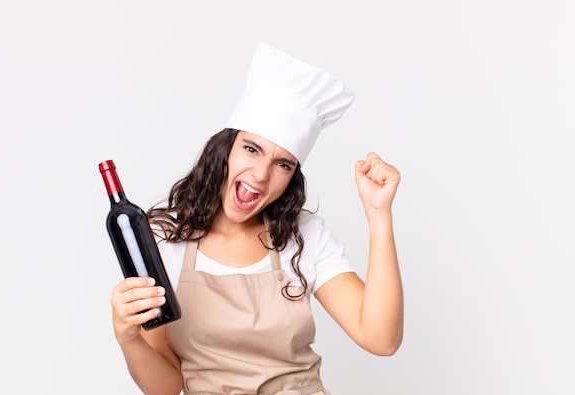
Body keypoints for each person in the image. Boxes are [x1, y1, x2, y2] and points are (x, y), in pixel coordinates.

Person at [110, 42, 403, 395]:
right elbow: (167, 387)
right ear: (224, 150)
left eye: (282, 164)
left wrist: (378, 214)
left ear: (292, 176)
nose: (261, 174)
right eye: (251, 149)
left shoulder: (305, 237)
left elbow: (380, 338)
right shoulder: (163, 240)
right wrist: (129, 339)